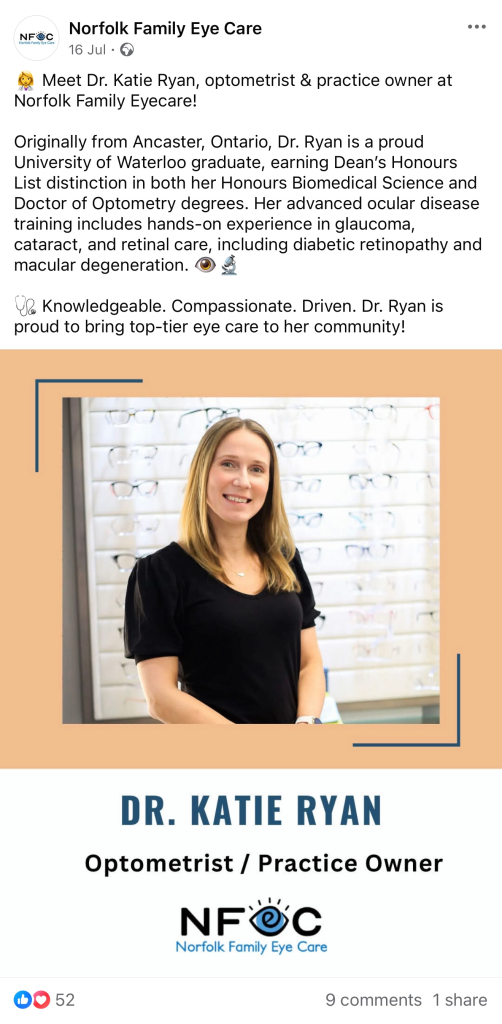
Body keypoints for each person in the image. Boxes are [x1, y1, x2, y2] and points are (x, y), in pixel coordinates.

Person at [124, 416, 326, 724]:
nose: (243, 481)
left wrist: (307, 723)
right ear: (203, 473)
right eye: (229, 464)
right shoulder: (159, 573)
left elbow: (308, 664)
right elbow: (160, 698)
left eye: (257, 469)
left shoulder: (285, 560)